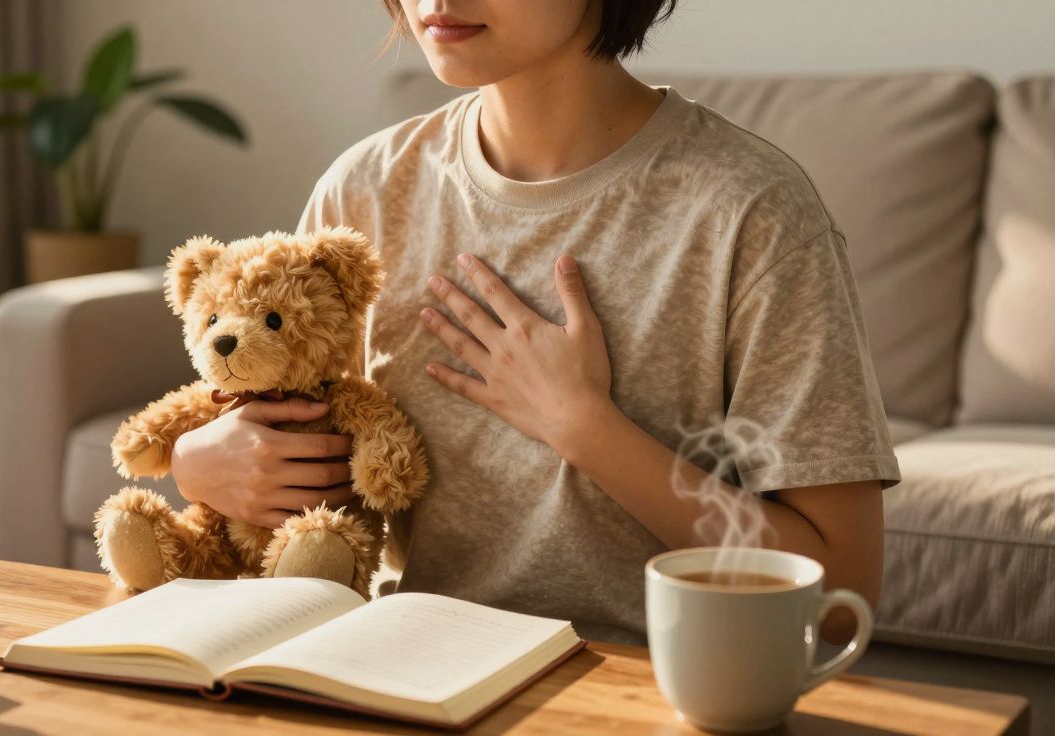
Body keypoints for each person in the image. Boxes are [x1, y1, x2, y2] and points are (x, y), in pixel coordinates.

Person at [169, 0, 899, 645]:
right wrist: (200, 466)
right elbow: (293, 439)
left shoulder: (752, 214)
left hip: (646, 687)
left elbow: (838, 599)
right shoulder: (365, 193)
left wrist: (588, 430)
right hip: (401, 661)